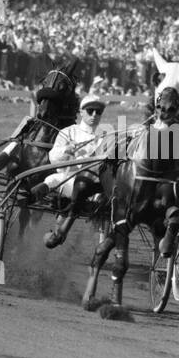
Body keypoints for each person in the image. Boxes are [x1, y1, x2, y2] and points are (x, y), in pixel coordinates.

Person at [41, 93, 111, 248]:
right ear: (81, 112)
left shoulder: (107, 136)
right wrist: (67, 150)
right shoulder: (68, 132)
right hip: (68, 181)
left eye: (98, 112)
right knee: (52, 179)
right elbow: (53, 159)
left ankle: (102, 245)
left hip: (93, 187)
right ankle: (34, 194)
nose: (94, 115)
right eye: (90, 110)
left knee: (107, 199)